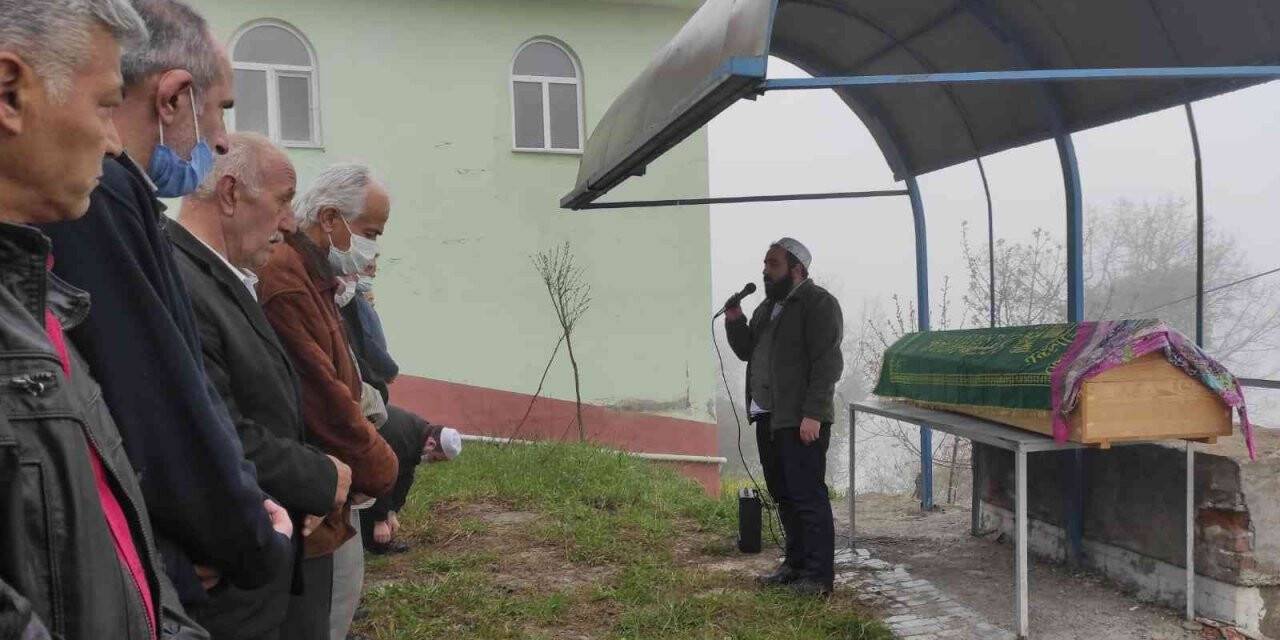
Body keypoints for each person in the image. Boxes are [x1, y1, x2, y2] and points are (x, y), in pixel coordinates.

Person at [36, 0, 292, 608]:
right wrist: (247, 538)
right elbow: (157, 401)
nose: (226, 138)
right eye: (222, 110)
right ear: (174, 98)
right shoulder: (98, 198)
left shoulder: (117, 198)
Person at [0, 2, 206, 637]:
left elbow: (113, 524)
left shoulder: (37, 300)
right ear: (9, 94)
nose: (116, 140)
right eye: (104, 104)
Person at [172, 132, 355, 640]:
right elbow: (215, 428)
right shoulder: (183, 282)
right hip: (229, 589)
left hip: (259, 565)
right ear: (230, 194)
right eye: (281, 201)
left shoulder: (222, 278)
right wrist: (320, 477)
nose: (289, 223)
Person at [257, 163, 398, 640]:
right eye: (370, 232)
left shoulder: (315, 277)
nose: (373, 247)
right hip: (312, 491)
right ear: (331, 218)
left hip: (328, 485)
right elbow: (323, 395)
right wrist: (381, 468)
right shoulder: (288, 280)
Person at [724, 237, 843, 596]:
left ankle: (819, 578)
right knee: (783, 493)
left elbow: (827, 364)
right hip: (768, 417)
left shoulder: (819, 303)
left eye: (773, 264)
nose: (765, 271)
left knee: (808, 496)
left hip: (801, 420)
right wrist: (734, 320)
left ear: (797, 269)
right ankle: (795, 565)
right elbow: (747, 351)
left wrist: (813, 414)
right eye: (764, 264)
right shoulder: (766, 308)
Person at [361, 422, 462, 554]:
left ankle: (373, 543)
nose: (433, 463)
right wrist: (380, 521)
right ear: (432, 444)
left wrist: (391, 511)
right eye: (436, 459)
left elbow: (404, 478)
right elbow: (379, 478)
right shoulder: (401, 442)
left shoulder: (418, 436)